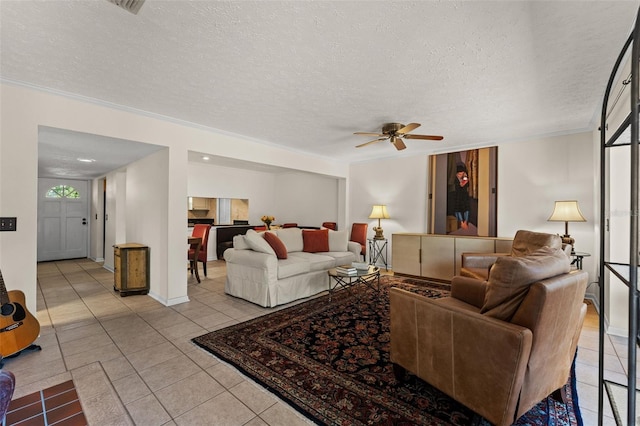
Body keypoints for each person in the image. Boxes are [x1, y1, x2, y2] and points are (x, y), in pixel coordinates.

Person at [452, 164, 471, 229]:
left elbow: (466, 184)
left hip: (464, 195)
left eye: (462, 174)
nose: (461, 176)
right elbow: (461, 185)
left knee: (466, 208)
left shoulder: (464, 178)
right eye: (459, 174)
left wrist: (465, 176)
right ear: (456, 174)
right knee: (457, 209)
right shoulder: (455, 179)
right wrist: (464, 179)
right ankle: (461, 222)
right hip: (457, 195)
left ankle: (465, 221)